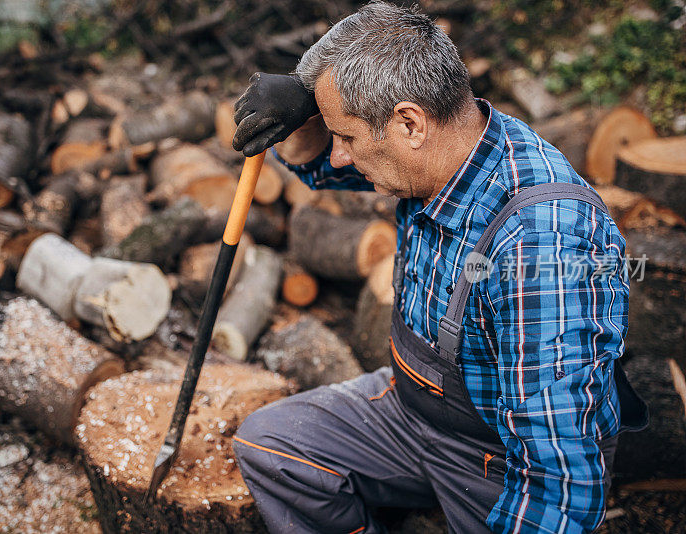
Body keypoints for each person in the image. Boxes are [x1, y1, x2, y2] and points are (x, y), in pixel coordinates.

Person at [229, 2, 648, 533]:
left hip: (497, 454)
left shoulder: (543, 242)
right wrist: (303, 106)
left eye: (347, 138)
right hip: (410, 412)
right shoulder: (446, 145)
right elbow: (326, 169)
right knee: (271, 447)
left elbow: (559, 477)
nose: (338, 156)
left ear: (408, 123)